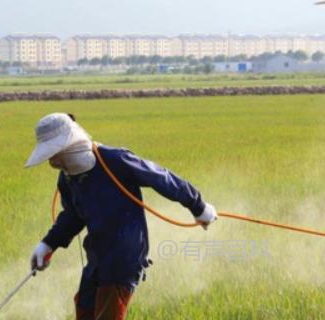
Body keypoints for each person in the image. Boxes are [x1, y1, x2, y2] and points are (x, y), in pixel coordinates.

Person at [25, 113, 218, 320]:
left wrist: (198, 206)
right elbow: (73, 215)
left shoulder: (115, 161)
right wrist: (48, 244)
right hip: (97, 255)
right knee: (84, 310)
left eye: (55, 155)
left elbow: (162, 178)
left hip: (123, 258)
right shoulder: (67, 179)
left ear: (68, 146)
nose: (52, 162)